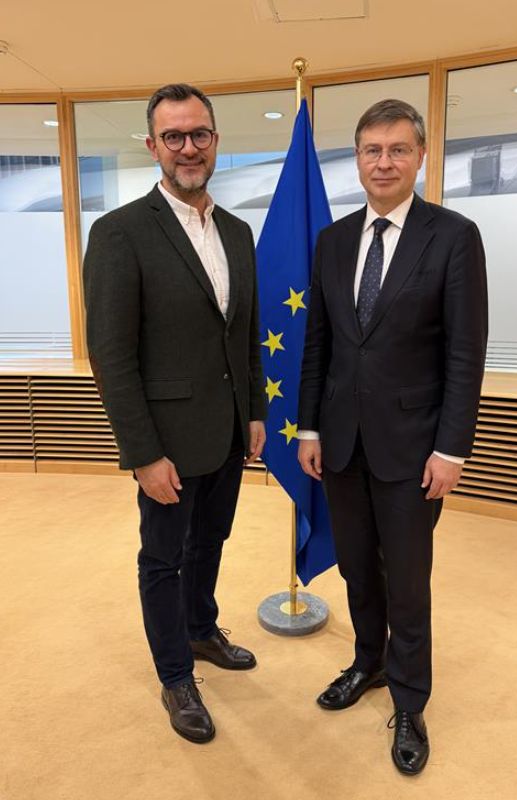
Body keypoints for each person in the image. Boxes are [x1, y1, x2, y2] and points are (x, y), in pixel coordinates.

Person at [298, 99, 487, 775]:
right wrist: (312, 426)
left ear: (420, 156)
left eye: (397, 149)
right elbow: (318, 344)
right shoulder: (334, 241)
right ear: (357, 159)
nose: (384, 161)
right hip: (342, 444)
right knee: (355, 568)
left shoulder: (454, 236)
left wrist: (452, 447)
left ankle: (410, 701)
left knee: (407, 581)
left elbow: (466, 352)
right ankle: (368, 663)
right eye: (372, 149)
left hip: (414, 449)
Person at [83, 83, 266, 744]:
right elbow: (111, 354)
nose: (189, 148)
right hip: (166, 441)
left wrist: (255, 409)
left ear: (216, 140)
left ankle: (200, 628)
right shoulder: (120, 233)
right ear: (154, 145)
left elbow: (244, 332)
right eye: (174, 136)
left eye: (200, 134)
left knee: (210, 541)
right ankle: (175, 675)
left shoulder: (238, 232)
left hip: (226, 431)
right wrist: (141, 453)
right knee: (163, 558)